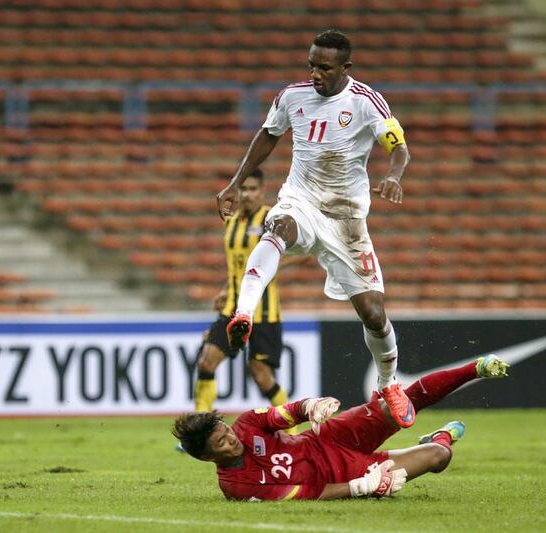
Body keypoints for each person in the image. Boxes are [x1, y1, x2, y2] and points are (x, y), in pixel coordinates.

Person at [215, 29, 415, 429]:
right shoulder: (292, 96)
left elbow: (399, 147)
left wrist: (394, 175)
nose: (315, 74)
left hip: (345, 219)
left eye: (324, 67)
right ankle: (243, 312)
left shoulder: (366, 101)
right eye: (311, 65)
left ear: (346, 67)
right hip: (302, 201)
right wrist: (235, 182)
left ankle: (390, 384)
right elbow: (268, 135)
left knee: (373, 314)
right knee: (278, 225)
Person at [172, 354, 509, 501]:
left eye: (225, 430)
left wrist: (312, 406)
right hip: (344, 473)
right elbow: (306, 494)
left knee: (395, 405)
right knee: (437, 456)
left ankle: (474, 368)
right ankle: (440, 436)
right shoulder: (237, 487)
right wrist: (361, 487)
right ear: (207, 457)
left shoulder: (246, 424)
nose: (231, 438)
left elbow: (287, 413)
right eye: (222, 442)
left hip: (329, 437)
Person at [196, 168, 301, 416]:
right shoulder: (231, 221)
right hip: (231, 307)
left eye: (253, 189)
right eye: (243, 188)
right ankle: (199, 426)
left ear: (263, 191)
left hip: (265, 313)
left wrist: (266, 269)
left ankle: (293, 431)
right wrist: (225, 289)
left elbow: (305, 254)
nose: (247, 194)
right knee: (207, 361)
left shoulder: (273, 219)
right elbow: (240, 263)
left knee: (262, 376)